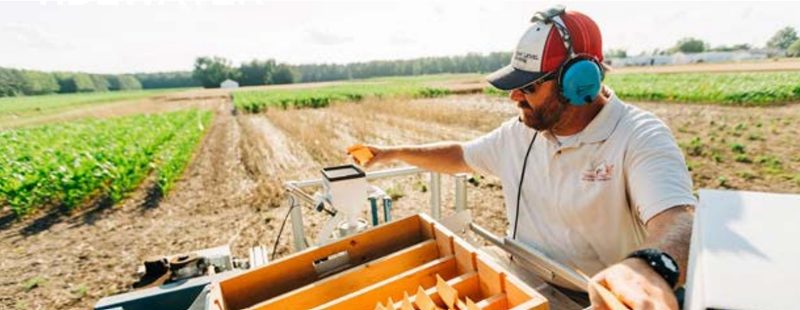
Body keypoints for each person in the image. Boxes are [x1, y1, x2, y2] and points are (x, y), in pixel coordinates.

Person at [350, 6, 695, 310]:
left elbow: (678, 219)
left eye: (529, 87)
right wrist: (392, 153)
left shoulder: (638, 135)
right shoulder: (520, 133)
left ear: (578, 83)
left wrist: (649, 267)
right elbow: (461, 155)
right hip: (521, 280)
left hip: (590, 300)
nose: (514, 96)